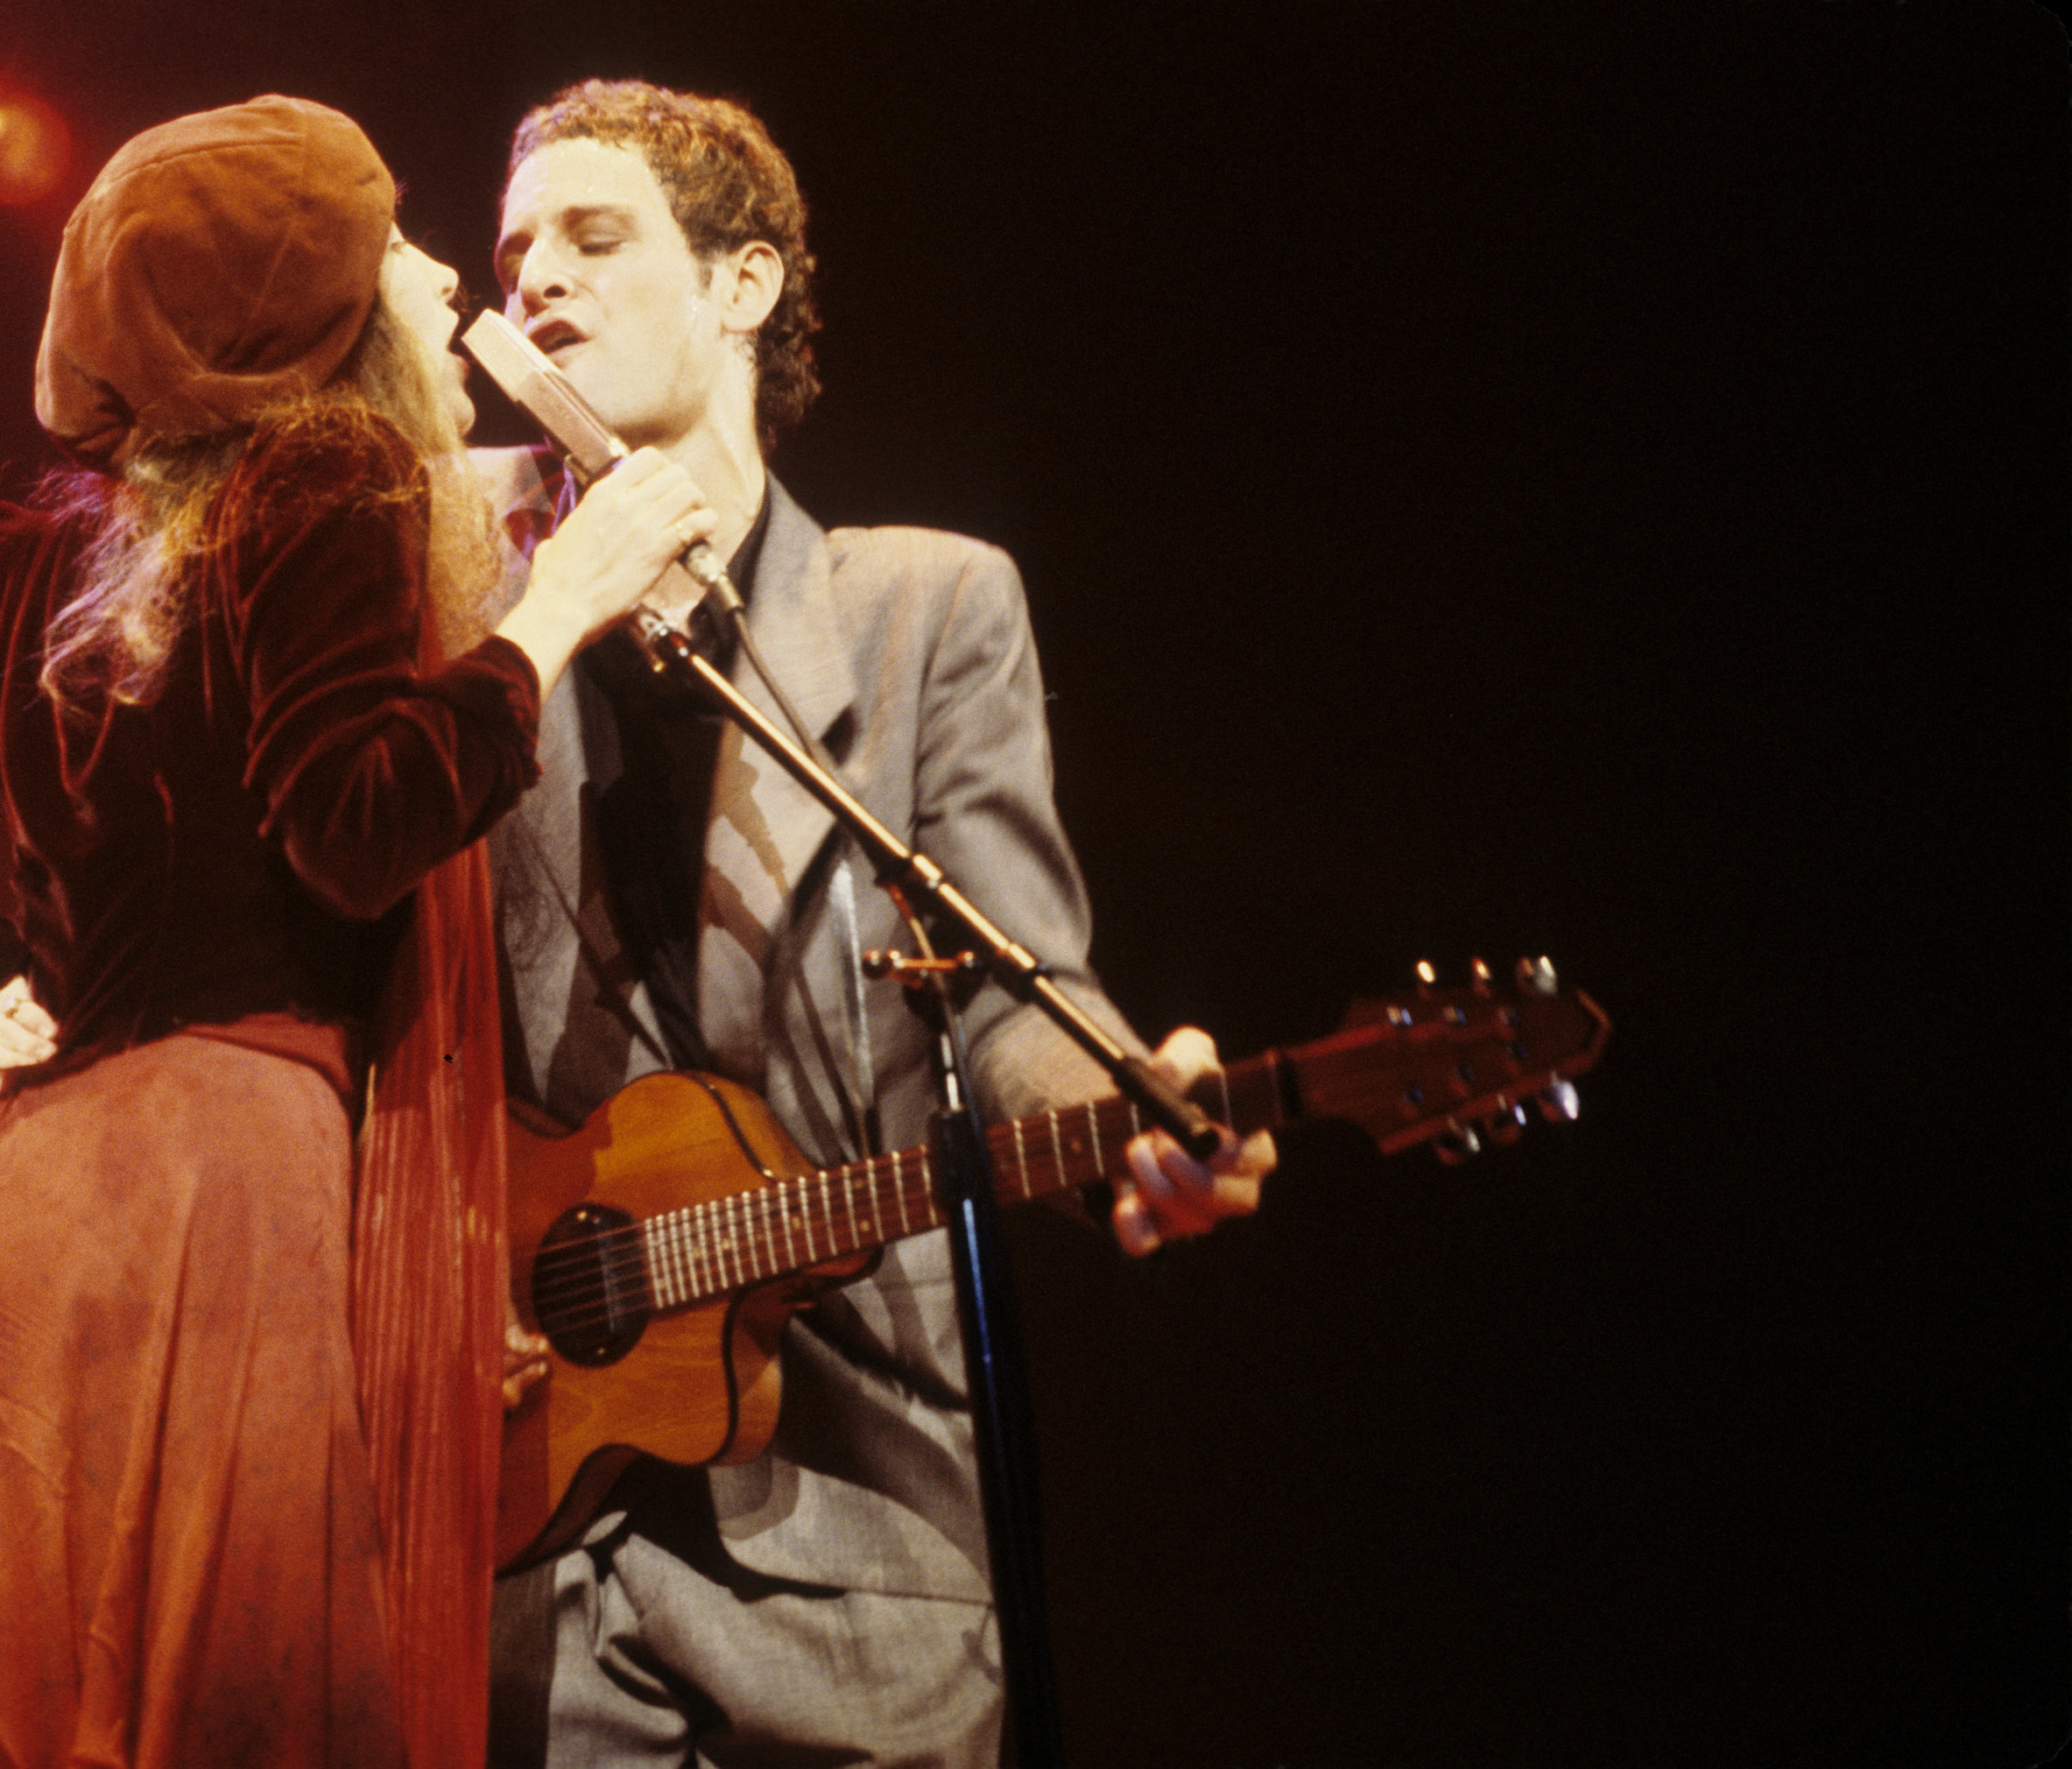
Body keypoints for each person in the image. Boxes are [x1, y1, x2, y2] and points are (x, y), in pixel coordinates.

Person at [0, 95, 715, 1769]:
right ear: (315, 313)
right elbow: (355, 830)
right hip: (204, 1202)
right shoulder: (334, 477)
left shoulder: (57, 549)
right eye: (401, 246)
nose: (445, 281)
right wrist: (554, 613)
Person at [472, 81, 1279, 1769]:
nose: (539, 274)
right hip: (521, 1501)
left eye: (595, 236)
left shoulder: (927, 607)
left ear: (741, 287)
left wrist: (1131, 1099)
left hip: (854, 1498)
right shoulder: (456, 574)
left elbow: (1011, 989)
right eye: (516, 246)